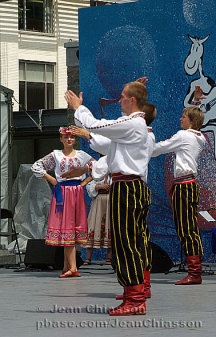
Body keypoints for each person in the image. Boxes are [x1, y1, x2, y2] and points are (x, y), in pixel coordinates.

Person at [63, 80, 150, 316]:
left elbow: (97, 125)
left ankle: (134, 299)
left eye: (122, 96)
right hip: (129, 186)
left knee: (126, 242)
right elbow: (106, 143)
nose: (118, 99)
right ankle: (136, 294)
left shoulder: (133, 123)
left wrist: (78, 108)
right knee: (129, 241)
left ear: (132, 100)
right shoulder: (133, 126)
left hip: (127, 187)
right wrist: (88, 133)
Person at [151, 90, 206, 285]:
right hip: (189, 184)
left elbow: (159, 148)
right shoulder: (198, 137)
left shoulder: (184, 136)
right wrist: (196, 103)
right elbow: (198, 120)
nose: (180, 119)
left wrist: (143, 142)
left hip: (184, 186)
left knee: (186, 228)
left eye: (183, 116)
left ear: (190, 120)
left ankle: (195, 273)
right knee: (190, 227)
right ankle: (195, 270)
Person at [31, 127, 93, 278]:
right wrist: (51, 178)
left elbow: (97, 168)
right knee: (66, 227)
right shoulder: (56, 155)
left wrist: (84, 182)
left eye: (72, 137)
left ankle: (70, 267)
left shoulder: (82, 155)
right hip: (62, 192)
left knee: (71, 226)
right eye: (66, 137)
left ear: (75, 139)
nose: (69, 139)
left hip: (76, 192)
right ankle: (69, 267)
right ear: (61, 139)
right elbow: (36, 166)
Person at [84, 175, 112, 265]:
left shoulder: (116, 171)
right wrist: (98, 186)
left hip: (111, 201)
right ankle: (88, 257)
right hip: (98, 202)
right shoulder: (98, 173)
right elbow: (88, 185)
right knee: (93, 224)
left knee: (110, 225)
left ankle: (109, 257)